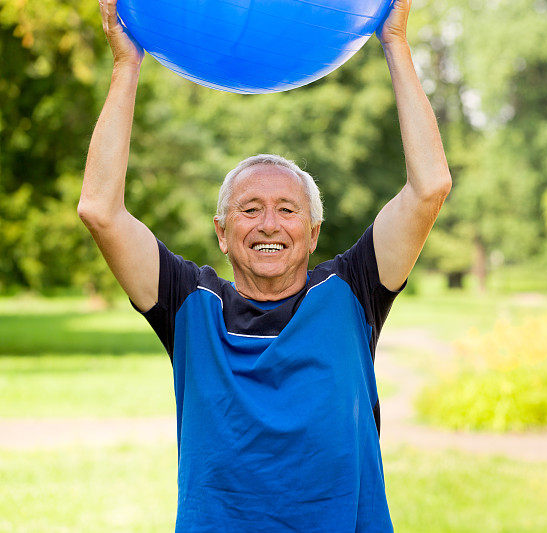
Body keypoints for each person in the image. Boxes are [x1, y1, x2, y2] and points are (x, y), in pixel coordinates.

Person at [79, 0, 451, 531]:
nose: (270, 224)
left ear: (313, 231)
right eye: (249, 210)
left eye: (287, 210)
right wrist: (126, 66)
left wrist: (395, 43)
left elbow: (430, 186)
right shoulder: (189, 306)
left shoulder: (353, 292)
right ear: (222, 234)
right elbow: (99, 210)